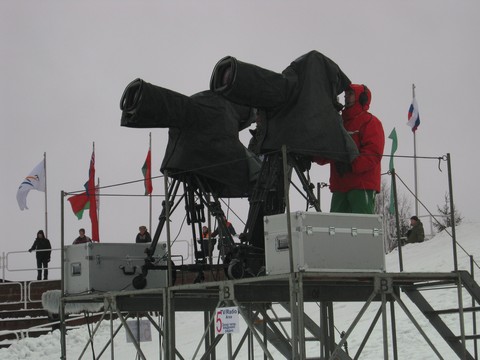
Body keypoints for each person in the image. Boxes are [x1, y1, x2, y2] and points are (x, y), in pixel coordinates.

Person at [315, 84, 385, 214]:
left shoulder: (370, 122)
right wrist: (312, 156)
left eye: (351, 94)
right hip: (340, 186)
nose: (346, 97)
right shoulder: (338, 123)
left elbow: (373, 153)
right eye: (345, 94)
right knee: (336, 227)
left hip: (361, 185)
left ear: (363, 98)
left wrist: (351, 166)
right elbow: (329, 149)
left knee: (361, 227)